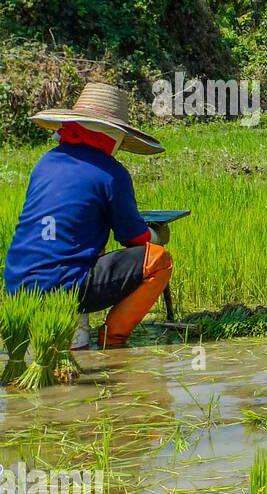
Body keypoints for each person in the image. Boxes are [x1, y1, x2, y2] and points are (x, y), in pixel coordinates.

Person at [3, 83, 173, 349]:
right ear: (113, 134)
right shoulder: (110, 173)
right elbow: (135, 239)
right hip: (64, 284)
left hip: (17, 284)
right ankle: (114, 341)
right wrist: (157, 234)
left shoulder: (45, 163)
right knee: (159, 260)